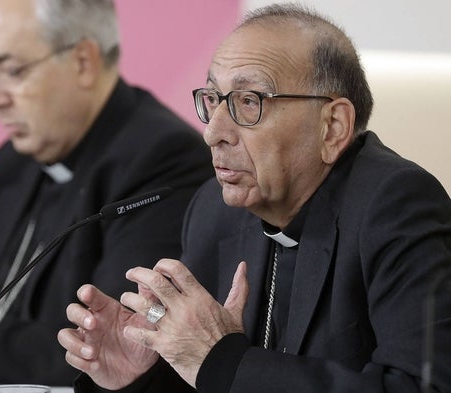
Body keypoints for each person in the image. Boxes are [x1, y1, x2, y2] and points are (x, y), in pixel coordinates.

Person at [57, 3, 451, 393]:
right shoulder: (215, 210)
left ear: (332, 127)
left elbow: (424, 386)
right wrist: (141, 379)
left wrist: (226, 362)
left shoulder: (396, 206)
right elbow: (209, 378)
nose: (214, 133)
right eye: (213, 99)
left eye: (249, 101)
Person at [0, 0, 213, 386]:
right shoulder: (15, 163)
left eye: (11, 72)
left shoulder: (163, 160)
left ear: (82, 61)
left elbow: (101, 344)